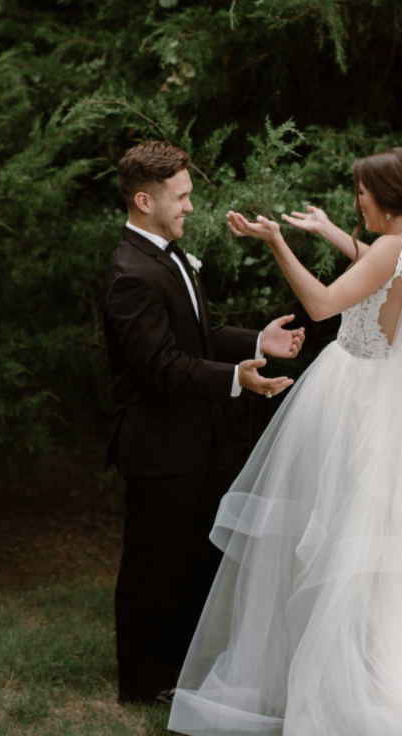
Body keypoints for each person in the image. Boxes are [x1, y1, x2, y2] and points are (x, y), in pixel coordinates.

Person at [168, 148, 402, 736]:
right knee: (374, 543)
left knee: (340, 537)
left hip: (356, 396)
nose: (356, 201)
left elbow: (325, 304)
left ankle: (349, 675)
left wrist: (277, 242)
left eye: (361, 193)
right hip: (394, 396)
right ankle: (364, 656)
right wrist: (332, 232)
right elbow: (376, 274)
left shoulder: (389, 247)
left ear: (387, 197)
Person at [102, 141, 305, 704]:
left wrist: (258, 341)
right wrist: (237, 378)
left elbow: (196, 336)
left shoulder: (168, 255)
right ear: (144, 201)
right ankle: (143, 684)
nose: (190, 206)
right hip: (159, 448)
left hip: (198, 441)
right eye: (181, 196)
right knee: (153, 567)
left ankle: (182, 669)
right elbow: (162, 367)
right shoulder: (130, 274)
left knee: (197, 560)